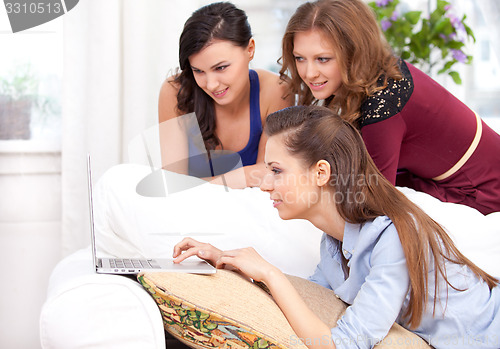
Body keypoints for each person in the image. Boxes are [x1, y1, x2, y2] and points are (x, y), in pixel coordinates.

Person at [173, 106, 500, 349]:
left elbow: (344, 345)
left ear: (320, 173)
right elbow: (311, 298)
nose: (264, 185)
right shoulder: (334, 245)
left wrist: (271, 273)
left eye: (276, 171)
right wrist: (225, 260)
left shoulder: (393, 238)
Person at [278, 0, 500, 214]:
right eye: (300, 58)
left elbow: (372, 202)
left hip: (482, 193)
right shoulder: (377, 73)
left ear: (354, 53)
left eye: (323, 59)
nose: (309, 73)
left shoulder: (383, 103)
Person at [158, 2, 292, 188]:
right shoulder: (175, 91)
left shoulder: (276, 90)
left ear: (250, 49)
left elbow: (269, 177)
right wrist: (243, 176)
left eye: (221, 67)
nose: (211, 85)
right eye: (198, 71)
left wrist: (201, 185)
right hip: (188, 212)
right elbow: (173, 184)